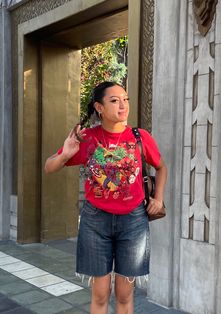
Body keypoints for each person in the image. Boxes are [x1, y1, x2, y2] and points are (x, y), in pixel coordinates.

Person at [44, 81, 167, 314]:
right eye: (114, 100)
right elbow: (49, 166)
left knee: (124, 294)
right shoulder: (87, 138)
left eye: (125, 99)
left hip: (133, 222)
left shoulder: (139, 137)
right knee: (100, 294)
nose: (123, 105)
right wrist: (66, 154)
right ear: (99, 108)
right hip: (95, 222)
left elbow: (161, 167)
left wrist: (158, 198)